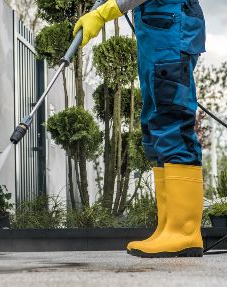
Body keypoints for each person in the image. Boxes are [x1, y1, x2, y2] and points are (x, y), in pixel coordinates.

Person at [73, 0, 206, 258]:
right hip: (159, 36)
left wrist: (102, 13)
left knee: (172, 122)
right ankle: (168, 227)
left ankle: (184, 231)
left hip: (171, 35)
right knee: (155, 126)